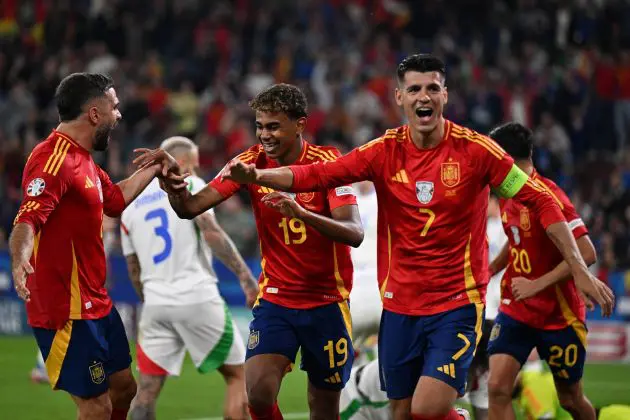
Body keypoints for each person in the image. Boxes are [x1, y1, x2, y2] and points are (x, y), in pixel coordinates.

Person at [216, 54, 615, 420]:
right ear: (400, 97)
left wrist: (578, 269)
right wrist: (259, 176)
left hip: (455, 304)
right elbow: (315, 175)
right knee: (402, 413)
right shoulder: (382, 151)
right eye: (414, 89)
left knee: (428, 409)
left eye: (432, 88)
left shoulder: (478, 152)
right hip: (400, 305)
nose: (424, 96)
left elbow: (541, 200)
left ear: (445, 95)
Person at [135, 83, 364, 419]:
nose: (264, 135)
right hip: (277, 298)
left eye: (273, 126)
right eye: (259, 126)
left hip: (327, 301)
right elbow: (190, 208)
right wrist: (173, 185)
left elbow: (354, 233)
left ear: (300, 124)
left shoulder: (328, 163)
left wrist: (301, 212)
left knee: (324, 407)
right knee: (257, 394)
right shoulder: (247, 164)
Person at [9, 72, 183, 420]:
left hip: (96, 303)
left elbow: (115, 200)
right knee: (96, 407)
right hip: (65, 310)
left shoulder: (83, 159)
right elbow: (27, 219)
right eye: (114, 107)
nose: (118, 115)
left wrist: (156, 165)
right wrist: (19, 258)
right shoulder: (52, 159)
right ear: (94, 113)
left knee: (124, 389)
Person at [120, 137, 259, 420]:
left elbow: (133, 270)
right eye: (194, 166)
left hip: (155, 305)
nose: (195, 173)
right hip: (197, 296)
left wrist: (154, 300)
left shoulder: (130, 207)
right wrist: (246, 277)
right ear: (181, 163)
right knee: (238, 376)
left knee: (145, 393)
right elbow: (212, 232)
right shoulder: (190, 185)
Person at [486, 122, 602, 420]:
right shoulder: (507, 193)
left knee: (571, 400)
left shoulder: (550, 196)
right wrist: (491, 269)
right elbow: (516, 239)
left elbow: (586, 252)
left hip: (557, 316)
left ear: (507, 160)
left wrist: (536, 285)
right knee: (497, 387)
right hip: (516, 310)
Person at [459, 195, 507, 420]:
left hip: (487, 308)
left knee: (472, 370)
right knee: (482, 375)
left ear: (496, 205)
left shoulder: (499, 228)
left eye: (488, 202)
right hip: (488, 309)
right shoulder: (488, 227)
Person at [350, 181, 382, 365]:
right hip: (353, 277)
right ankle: (354, 383)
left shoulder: (382, 198)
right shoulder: (347, 197)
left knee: (384, 334)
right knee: (350, 339)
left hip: (378, 273)